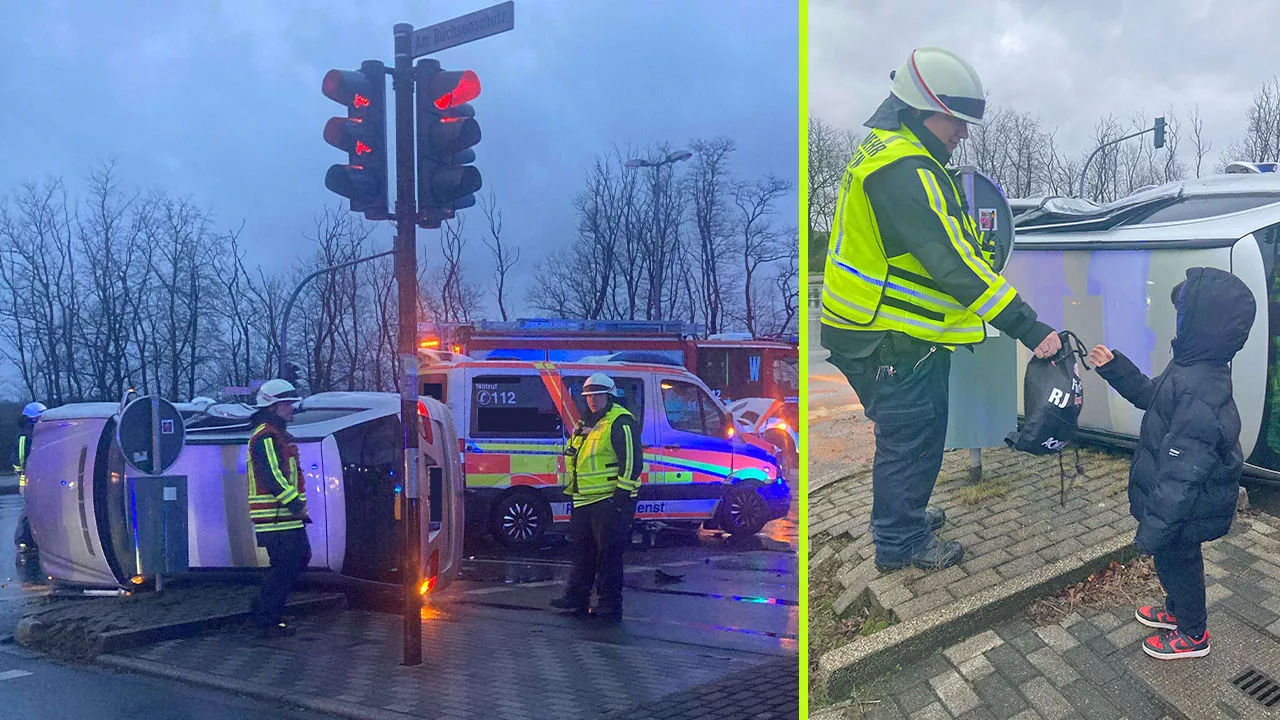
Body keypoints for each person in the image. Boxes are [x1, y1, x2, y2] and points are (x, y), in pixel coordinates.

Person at [819, 46, 1062, 572]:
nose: (964, 133)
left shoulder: (892, 157)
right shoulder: (905, 170)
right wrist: (1029, 327)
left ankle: (905, 517)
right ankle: (899, 543)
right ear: (922, 108)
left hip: (880, 332)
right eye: (957, 121)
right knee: (910, 439)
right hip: (889, 337)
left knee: (919, 434)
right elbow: (953, 265)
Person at [1088, 267, 1255, 659]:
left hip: (1184, 508)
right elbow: (1151, 396)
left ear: (1201, 325)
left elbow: (1183, 474)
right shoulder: (1187, 368)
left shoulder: (1200, 387)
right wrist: (1116, 368)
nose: (1176, 323)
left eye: (1183, 315)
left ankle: (1194, 634)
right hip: (1176, 505)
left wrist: (1154, 528)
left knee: (1180, 563)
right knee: (1173, 560)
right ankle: (1176, 612)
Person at [550, 372, 643, 620]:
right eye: (589, 396)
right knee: (583, 551)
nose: (592, 400)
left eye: (598, 395)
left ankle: (610, 604)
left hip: (609, 501)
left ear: (609, 396)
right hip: (584, 500)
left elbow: (632, 462)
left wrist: (620, 498)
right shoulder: (587, 423)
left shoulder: (621, 421)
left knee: (608, 554)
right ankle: (577, 596)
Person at [246, 378, 310, 637]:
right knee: (287, 564)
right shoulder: (266, 436)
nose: (292, 408)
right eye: (288, 404)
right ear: (273, 407)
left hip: (284, 516)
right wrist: (294, 503)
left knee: (295, 560)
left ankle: (266, 612)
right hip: (276, 516)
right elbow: (272, 476)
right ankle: (266, 618)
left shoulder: (275, 435)